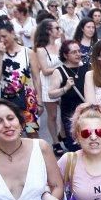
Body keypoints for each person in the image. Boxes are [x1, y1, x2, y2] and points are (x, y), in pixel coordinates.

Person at [0, 19, 42, 137]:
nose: (2, 40)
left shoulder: (28, 52)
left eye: (4, 36)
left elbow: (36, 78)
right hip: (6, 99)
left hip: (27, 99)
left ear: (12, 33)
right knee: (11, 133)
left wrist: (39, 100)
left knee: (32, 132)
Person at [47, 40, 88, 151]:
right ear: (65, 55)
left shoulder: (87, 67)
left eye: (79, 51)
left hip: (88, 114)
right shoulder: (60, 71)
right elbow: (51, 94)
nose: (78, 54)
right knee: (75, 148)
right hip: (71, 116)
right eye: (74, 52)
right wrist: (65, 88)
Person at [33, 19, 64, 154]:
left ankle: (63, 134)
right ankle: (55, 142)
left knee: (65, 113)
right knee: (52, 116)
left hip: (62, 82)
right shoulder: (41, 49)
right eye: (56, 28)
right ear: (48, 31)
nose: (59, 30)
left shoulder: (60, 43)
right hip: (48, 83)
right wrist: (63, 68)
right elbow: (44, 70)